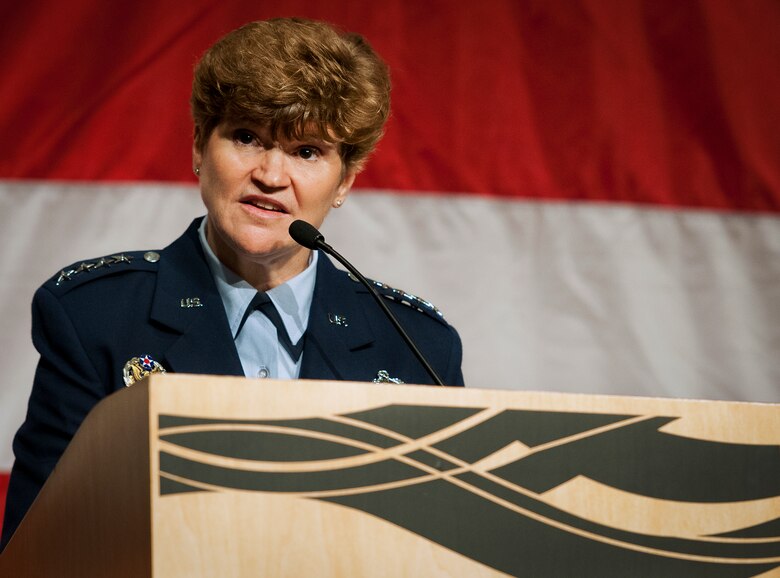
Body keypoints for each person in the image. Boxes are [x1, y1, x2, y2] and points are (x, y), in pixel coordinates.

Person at [0, 18, 464, 550]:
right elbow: (38, 552)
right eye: (247, 137)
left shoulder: (417, 346)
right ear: (200, 147)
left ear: (345, 181)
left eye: (307, 151)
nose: (271, 174)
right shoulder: (94, 317)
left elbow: (447, 550)